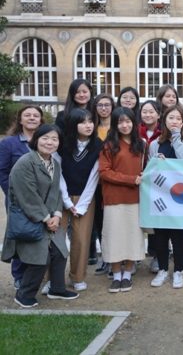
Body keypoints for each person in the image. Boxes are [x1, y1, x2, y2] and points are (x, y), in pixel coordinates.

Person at [2, 124, 79, 308]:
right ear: (35, 140)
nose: (49, 142)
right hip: (30, 218)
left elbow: (56, 193)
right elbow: (28, 197)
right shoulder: (25, 163)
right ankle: (24, 294)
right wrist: (46, 219)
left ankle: (57, 289)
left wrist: (58, 215)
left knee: (60, 252)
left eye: (54, 139)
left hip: (50, 217)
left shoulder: (54, 163)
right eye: (45, 138)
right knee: (39, 257)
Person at [99, 107, 146, 293]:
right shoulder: (109, 145)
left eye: (128, 121)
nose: (125, 125)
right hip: (114, 198)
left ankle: (128, 273)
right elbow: (104, 172)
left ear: (134, 123)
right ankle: (116, 273)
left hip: (135, 199)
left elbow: (146, 168)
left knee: (132, 236)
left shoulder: (141, 145)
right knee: (114, 236)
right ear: (115, 124)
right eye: (120, 122)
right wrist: (130, 180)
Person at [149, 105, 183, 289]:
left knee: (179, 235)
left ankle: (178, 271)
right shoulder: (154, 144)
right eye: (170, 118)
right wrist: (156, 163)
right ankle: (162, 269)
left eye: (178, 118)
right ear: (164, 121)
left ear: (182, 122)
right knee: (160, 234)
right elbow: (150, 171)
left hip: (181, 196)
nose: (174, 121)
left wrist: (177, 137)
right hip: (161, 196)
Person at [57, 108, 102, 292]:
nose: (88, 125)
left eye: (90, 121)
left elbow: (94, 177)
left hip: (86, 197)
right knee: (56, 239)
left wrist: (82, 204)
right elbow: (57, 174)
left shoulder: (98, 145)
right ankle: (53, 278)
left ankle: (77, 276)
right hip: (60, 196)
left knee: (81, 240)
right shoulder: (62, 144)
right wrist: (67, 201)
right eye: (83, 122)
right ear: (73, 124)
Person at [0, 105, 44, 289]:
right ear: (20, 119)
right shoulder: (9, 144)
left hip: (42, 200)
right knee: (20, 235)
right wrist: (15, 194)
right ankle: (19, 276)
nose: (32, 118)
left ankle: (35, 275)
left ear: (41, 120)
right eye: (28, 115)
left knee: (38, 237)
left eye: (36, 115)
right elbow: (3, 172)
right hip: (17, 201)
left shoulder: (47, 141)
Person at [89, 94, 114, 274]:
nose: (104, 108)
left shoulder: (120, 126)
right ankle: (105, 256)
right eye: (100, 105)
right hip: (95, 181)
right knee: (99, 220)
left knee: (113, 221)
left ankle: (117, 257)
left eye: (107, 105)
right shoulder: (92, 127)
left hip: (114, 180)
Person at [138, 99, 162, 273]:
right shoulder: (134, 131)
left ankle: (156, 255)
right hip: (137, 181)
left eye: (151, 111)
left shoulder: (163, 133)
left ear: (158, 114)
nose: (148, 114)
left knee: (155, 221)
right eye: (144, 111)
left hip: (158, 184)